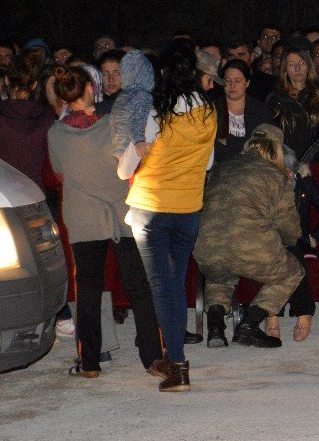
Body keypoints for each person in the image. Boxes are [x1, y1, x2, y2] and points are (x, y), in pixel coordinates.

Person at [47, 65, 163, 378]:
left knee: (87, 290)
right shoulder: (113, 123)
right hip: (122, 213)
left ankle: (89, 363)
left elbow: (59, 175)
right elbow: (129, 162)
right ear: (89, 89)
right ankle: (154, 358)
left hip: (83, 217)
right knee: (140, 286)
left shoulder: (56, 134)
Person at [123, 40, 217, 392]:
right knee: (175, 286)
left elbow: (131, 161)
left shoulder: (155, 110)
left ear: (162, 72)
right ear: (193, 72)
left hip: (151, 208)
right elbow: (207, 163)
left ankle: (177, 366)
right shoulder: (208, 111)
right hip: (189, 208)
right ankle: (172, 356)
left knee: (162, 289)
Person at [195, 125, 307, 349]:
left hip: (206, 247)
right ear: (278, 149)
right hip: (249, 245)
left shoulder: (221, 169)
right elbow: (287, 225)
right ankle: (250, 325)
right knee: (292, 273)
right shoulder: (277, 175)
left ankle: (216, 328)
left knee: (220, 279)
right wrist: (292, 240)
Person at [0, 56, 55, 191]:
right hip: (36, 192)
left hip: (1, 191)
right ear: (34, 85)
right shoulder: (48, 118)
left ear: (7, 80)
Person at [267, 46, 319, 163]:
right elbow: (271, 134)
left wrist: (305, 162)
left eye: (301, 63)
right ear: (285, 69)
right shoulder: (275, 99)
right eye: (291, 64)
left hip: (314, 165)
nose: (297, 68)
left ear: (308, 66)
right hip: (283, 164)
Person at [213, 59, 272, 162]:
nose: (232, 85)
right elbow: (211, 143)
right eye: (227, 80)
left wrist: (228, 141)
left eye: (237, 80)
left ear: (247, 83)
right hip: (220, 166)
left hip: (253, 166)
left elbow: (262, 145)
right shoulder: (213, 108)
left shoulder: (260, 110)